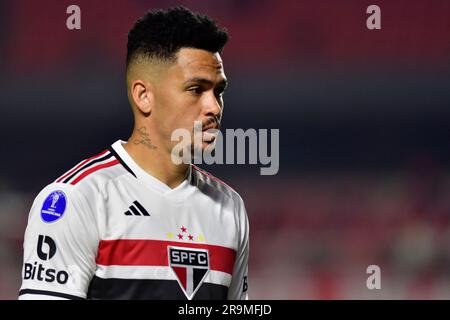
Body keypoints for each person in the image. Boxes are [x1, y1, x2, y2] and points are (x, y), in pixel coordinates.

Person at [19, 6, 249, 300]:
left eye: (218, 92)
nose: (214, 108)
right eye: (196, 89)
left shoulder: (230, 209)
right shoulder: (77, 199)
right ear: (143, 96)